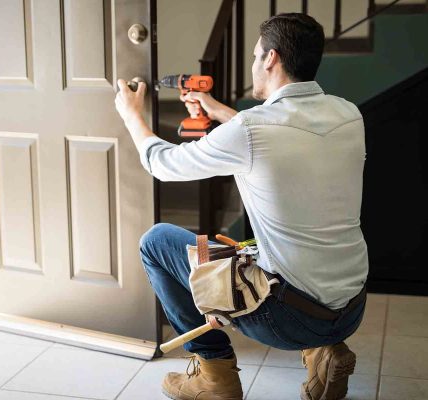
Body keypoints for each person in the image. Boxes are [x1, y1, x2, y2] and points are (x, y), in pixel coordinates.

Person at [115, 12, 368, 400]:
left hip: (286, 317)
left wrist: (133, 115)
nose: (253, 63)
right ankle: (325, 350)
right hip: (350, 308)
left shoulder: (251, 129)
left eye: (255, 55)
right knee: (259, 251)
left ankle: (214, 375)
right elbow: (280, 141)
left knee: (157, 240)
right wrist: (218, 111)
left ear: (271, 58)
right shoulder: (349, 114)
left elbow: (161, 164)